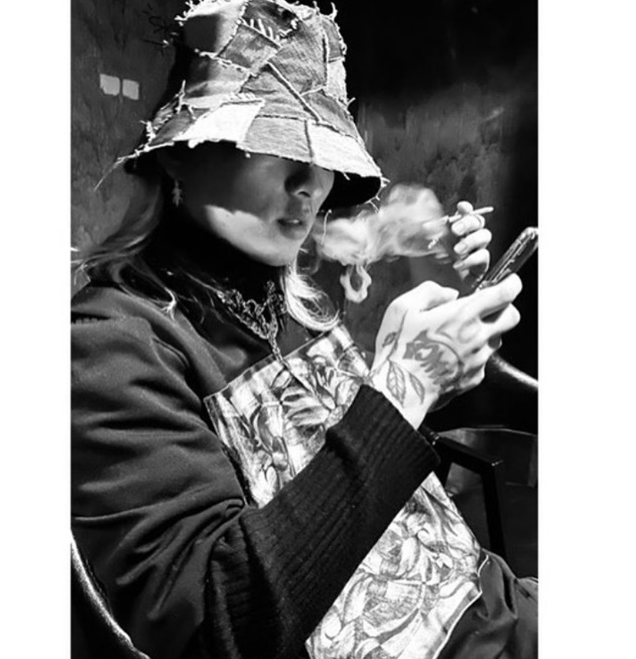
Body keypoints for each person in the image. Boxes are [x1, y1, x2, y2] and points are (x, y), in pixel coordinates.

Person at [71, 1, 536, 658]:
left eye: (323, 156)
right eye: (273, 145)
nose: (310, 184)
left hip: (492, 605)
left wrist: (449, 350)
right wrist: (405, 385)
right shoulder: (110, 345)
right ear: (177, 156)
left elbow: (358, 464)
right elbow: (216, 623)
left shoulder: (294, 302)